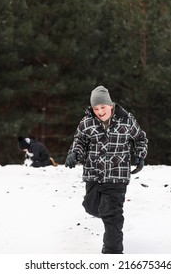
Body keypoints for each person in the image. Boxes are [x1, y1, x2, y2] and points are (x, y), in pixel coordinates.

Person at [65, 85, 148, 254]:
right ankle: (110, 220)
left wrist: (140, 155)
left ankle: (112, 250)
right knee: (91, 207)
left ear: (111, 105)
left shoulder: (126, 120)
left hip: (117, 174)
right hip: (93, 174)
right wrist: (74, 154)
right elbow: (79, 141)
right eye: (96, 108)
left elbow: (140, 138)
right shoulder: (87, 122)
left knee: (112, 213)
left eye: (103, 107)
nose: (100, 111)